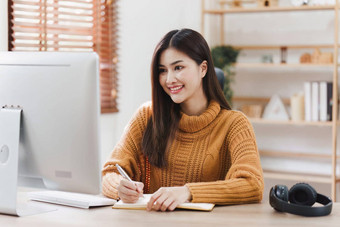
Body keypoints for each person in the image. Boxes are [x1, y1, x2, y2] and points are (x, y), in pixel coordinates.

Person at [102, 28, 264, 212]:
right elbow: (111, 172)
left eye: (178, 68)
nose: (169, 79)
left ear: (203, 68)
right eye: (163, 70)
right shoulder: (146, 116)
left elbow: (252, 184)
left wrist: (187, 192)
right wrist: (119, 187)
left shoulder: (234, 124)